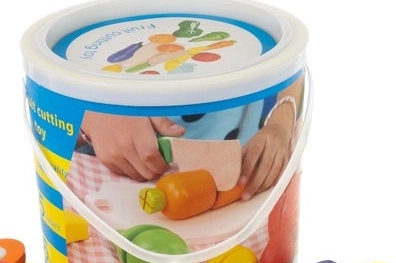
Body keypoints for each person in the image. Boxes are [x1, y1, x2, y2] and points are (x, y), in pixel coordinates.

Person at [77, 75, 304, 201]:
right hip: (109, 178)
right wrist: (92, 121)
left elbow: (287, 58)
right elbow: (58, 100)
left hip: (243, 170)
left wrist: (280, 123)